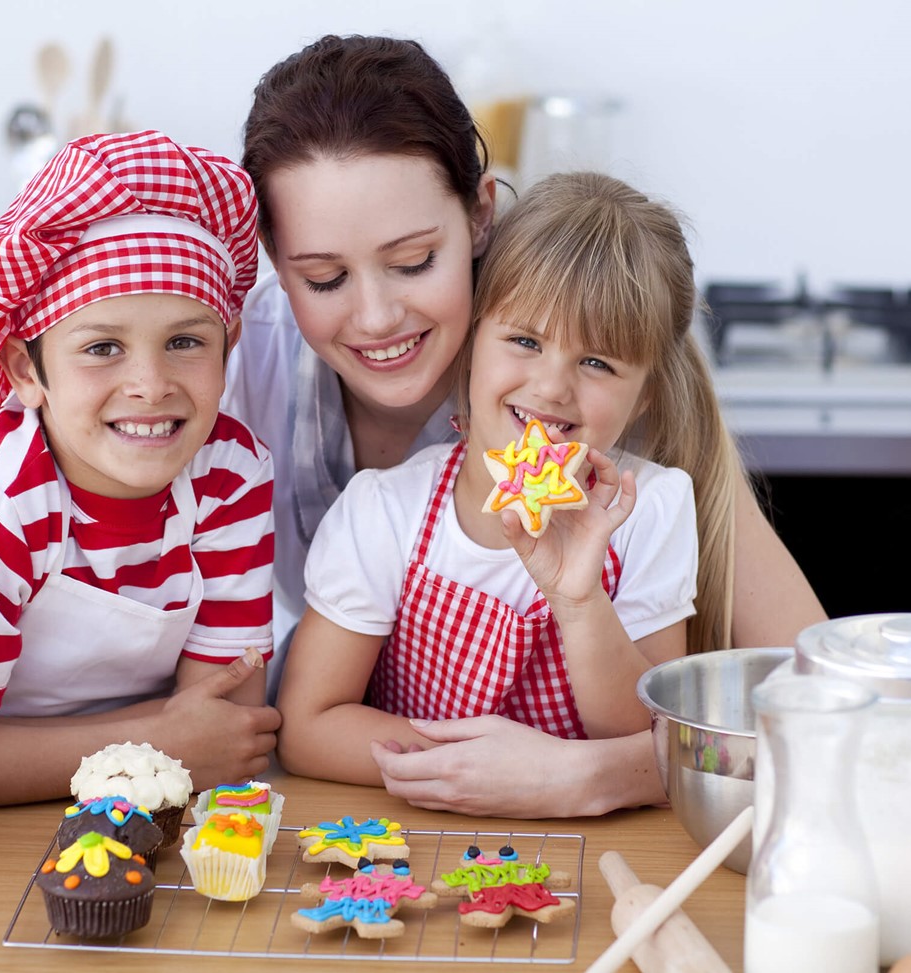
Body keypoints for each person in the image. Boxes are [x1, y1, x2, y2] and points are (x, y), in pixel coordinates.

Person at [222, 34, 825, 815]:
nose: (375, 316)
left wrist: (587, 775)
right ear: (273, 258)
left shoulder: (604, 374)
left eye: (412, 262)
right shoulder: (226, 363)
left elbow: (813, 711)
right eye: (324, 277)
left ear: (480, 216)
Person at [0, 130, 280, 807]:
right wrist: (162, 741)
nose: (150, 383)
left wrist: (173, 739)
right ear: (27, 370)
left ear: (229, 343)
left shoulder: (231, 473)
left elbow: (227, 728)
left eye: (186, 341)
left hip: (120, 811)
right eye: (104, 346)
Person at [276, 169, 709, 790]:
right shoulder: (383, 511)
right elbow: (307, 727)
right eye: (525, 341)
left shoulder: (651, 510)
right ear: (470, 345)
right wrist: (477, 770)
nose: (552, 387)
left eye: (596, 362)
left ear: (642, 400)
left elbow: (652, 744)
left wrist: (580, 602)